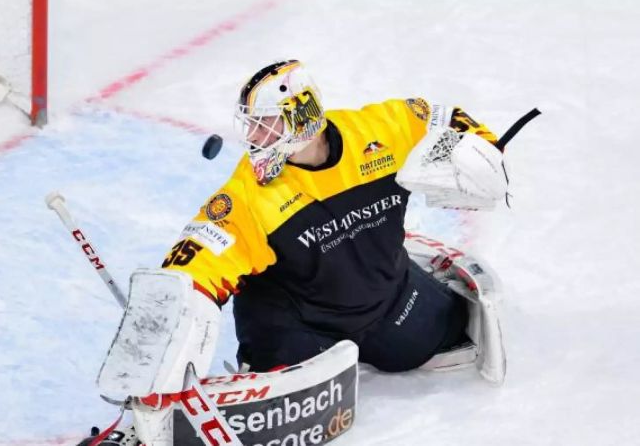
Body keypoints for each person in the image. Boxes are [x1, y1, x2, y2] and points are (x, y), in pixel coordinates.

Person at [159, 59, 503, 373]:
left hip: (387, 302)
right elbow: (197, 262)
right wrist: (176, 298)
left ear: (301, 118)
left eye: (264, 124)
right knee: (288, 409)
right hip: (298, 327)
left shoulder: (378, 133)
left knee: (439, 334)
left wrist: (483, 151)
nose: (253, 138)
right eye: (251, 126)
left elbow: (438, 118)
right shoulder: (247, 194)